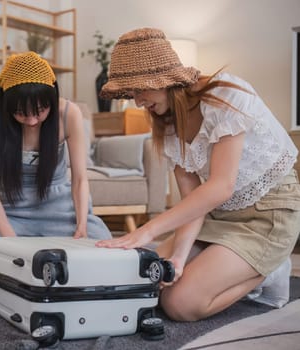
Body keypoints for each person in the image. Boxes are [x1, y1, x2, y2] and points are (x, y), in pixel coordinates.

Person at [96, 28, 300, 321]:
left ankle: (268, 272)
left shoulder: (225, 95)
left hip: (268, 215)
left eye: (139, 90)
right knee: (149, 282)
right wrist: (178, 257)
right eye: (131, 94)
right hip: (219, 215)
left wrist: (148, 230)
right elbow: (193, 200)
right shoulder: (166, 124)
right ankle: (228, 264)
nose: (138, 102)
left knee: (180, 304)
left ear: (163, 80)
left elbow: (220, 187)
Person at [0, 52, 112, 293]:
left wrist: (81, 225)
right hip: (12, 213)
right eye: (21, 113)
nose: (33, 121)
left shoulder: (69, 114)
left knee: (110, 263)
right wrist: (12, 242)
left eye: (40, 110)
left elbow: (79, 180)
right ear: (6, 105)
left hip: (61, 210)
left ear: (52, 97)